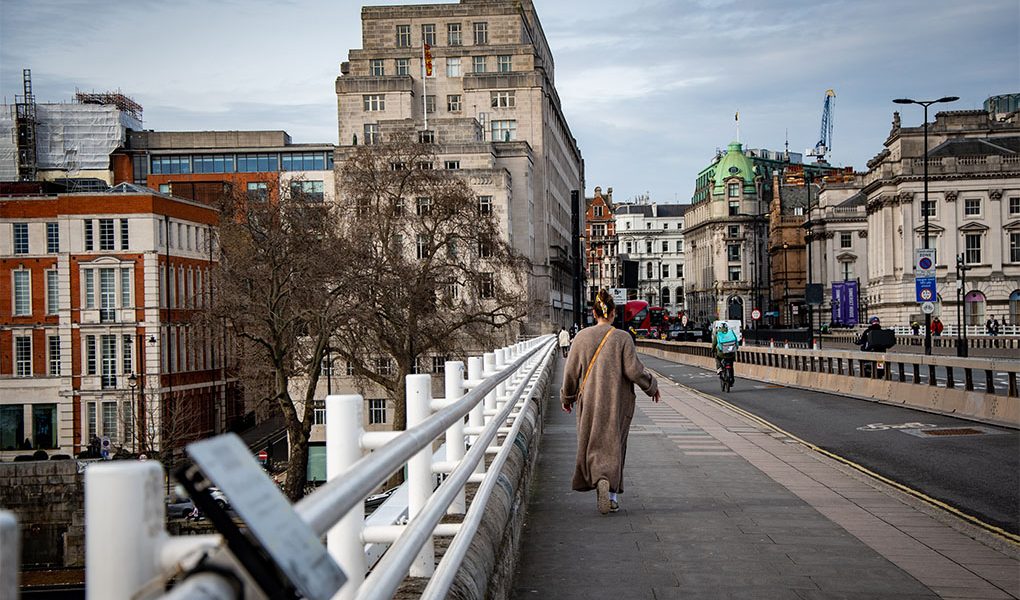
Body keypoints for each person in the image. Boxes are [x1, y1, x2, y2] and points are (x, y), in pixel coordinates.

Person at [561, 289, 660, 515]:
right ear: (613, 313)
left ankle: (597, 478)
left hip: (590, 401)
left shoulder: (581, 338)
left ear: (594, 313)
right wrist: (651, 386)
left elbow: (570, 373)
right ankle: (612, 494)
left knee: (590, 440)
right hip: (618, 401)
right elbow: (634, 371)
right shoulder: (622, 338)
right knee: (615, 443)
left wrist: (567, 397)